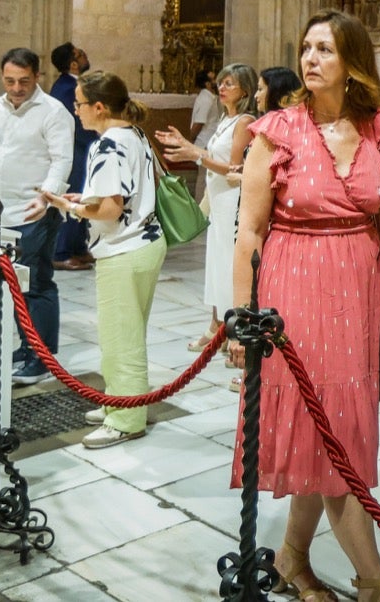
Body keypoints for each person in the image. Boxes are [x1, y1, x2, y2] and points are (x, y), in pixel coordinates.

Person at [221, 12, 380, 602]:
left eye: (324, 49)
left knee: (326, 430)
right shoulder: (275, 130)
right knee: (336, 441)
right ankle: (374, 583)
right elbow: (249, 231)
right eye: (306, 47)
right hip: (293, 292)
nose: (310, 59)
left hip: (358, 295)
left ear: (352, 61)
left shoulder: (379, 127)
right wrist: (240, 318)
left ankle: (292, 560)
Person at [42, 70, 163, 451]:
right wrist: (86, 200)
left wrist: (71, 208)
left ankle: (126, 419)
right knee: (127, 331)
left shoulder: (108, 144)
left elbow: (111, 210)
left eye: (78, 104)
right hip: (145, 243)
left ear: (98, 106)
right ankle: (118, 398)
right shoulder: (134, 134)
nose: (75, 111)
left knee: (120, 338)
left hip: (123, 249)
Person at [0, 48, 75, 386]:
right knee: (13, 285)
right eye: (9, 81)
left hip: (35, 210)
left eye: (23, 81)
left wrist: (46, 197)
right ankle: (26, 345)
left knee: (36, 283)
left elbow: (62, 159)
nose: (16, 88)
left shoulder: (54, 112)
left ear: (37, 76)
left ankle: (42, 355)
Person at [157, 63, 257, 352]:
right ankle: (216, 324)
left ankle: (233, 327)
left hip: (232, 199)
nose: (222, 88)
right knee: (215, 263)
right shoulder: (227, 119)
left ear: (245, 91)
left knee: (228, 265)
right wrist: (186, 145)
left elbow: (234, 167)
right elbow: (212, 154)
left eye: (230, 84)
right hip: (218, 199)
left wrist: (194, 155)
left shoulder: (245, 121)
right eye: (221, 83)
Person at [50, 42, 97, 270]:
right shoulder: (67, 88)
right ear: (73, 63)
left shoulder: (72, 85)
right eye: (80, 54)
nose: (85, 55)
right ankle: (61, 251)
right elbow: (77, 125)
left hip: (81, 149)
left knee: (84, 195)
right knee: (72, 197)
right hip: (74, 150)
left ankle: (78, 247)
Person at [189, 68, 222, 198]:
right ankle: (200, 207)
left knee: (205, 176)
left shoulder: (208, 97)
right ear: (207, 84)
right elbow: (199, 122)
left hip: (206, 140)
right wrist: (192, 138)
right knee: (203, 177)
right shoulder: (206, 99)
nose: (216, 82)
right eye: (213, 79)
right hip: (204, 141)